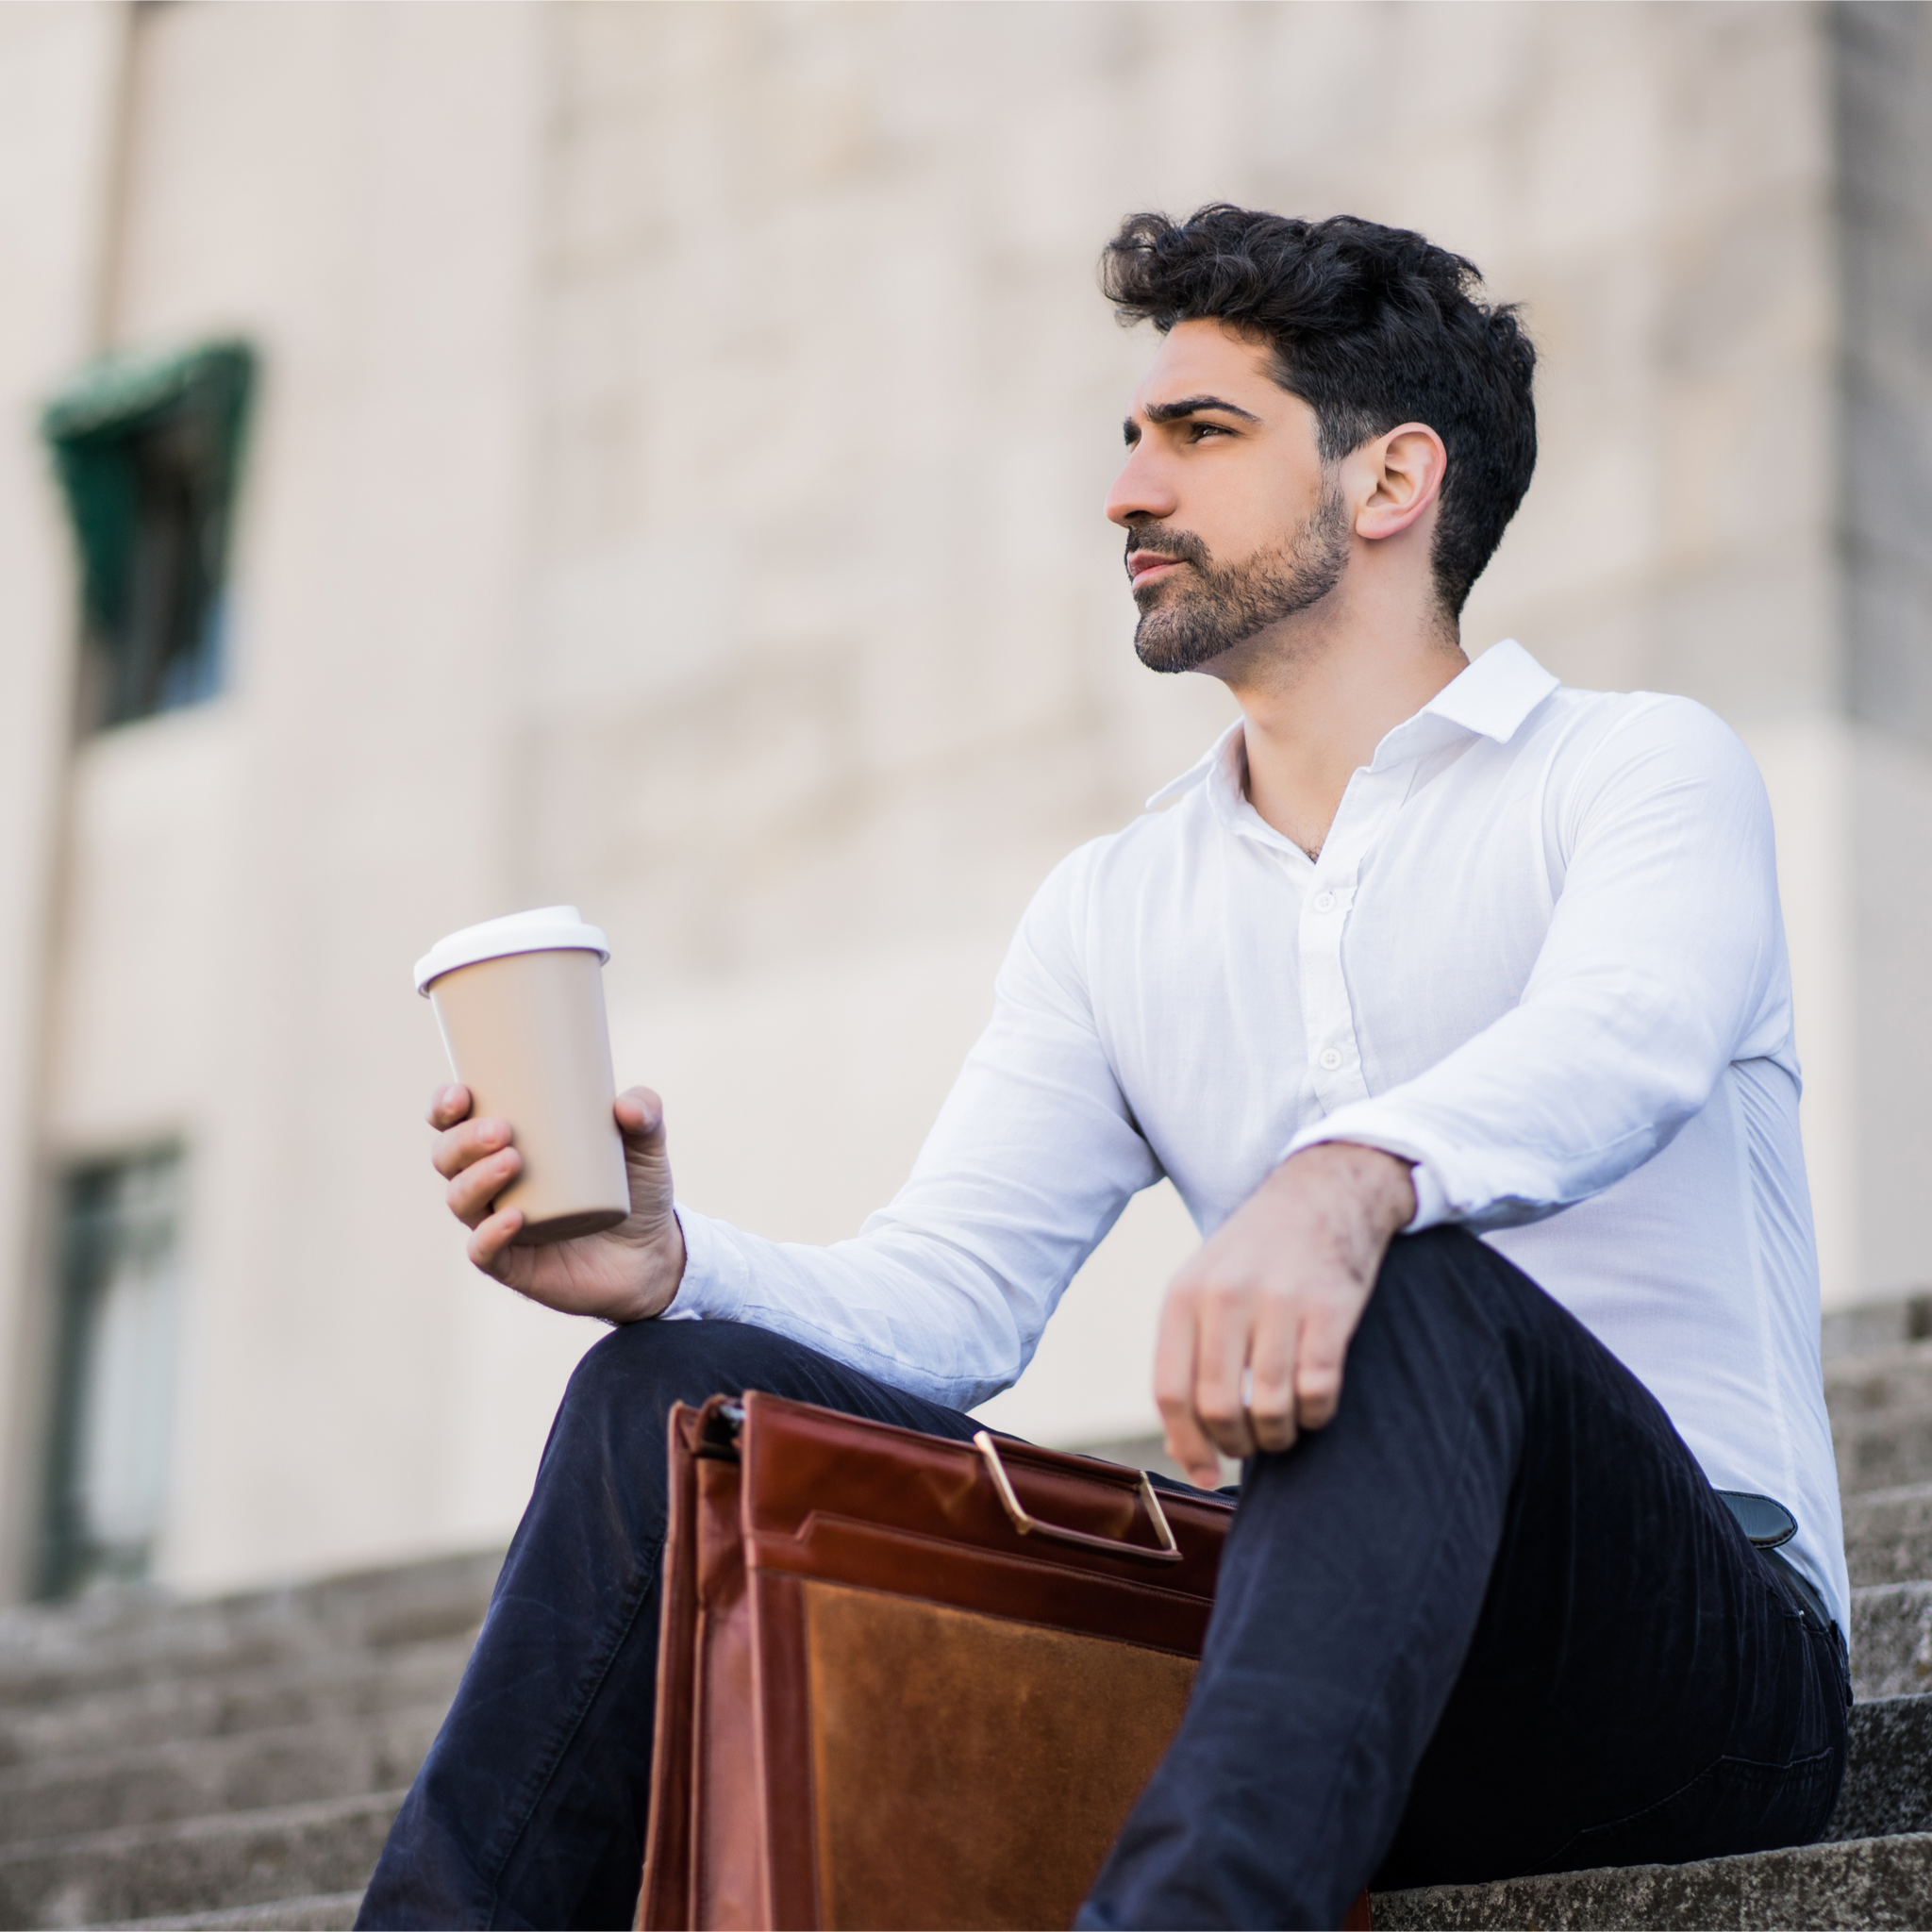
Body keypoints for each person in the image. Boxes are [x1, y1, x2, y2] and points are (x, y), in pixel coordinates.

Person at [356, 208, 1850, 1932]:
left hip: (1685, 1660)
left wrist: (1346, 1184)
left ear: (1391, 484)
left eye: (1201, 435)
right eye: (1131, 441)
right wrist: (669, 1266)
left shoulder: (1636, 771)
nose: (1128, 492)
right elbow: (951, 1305)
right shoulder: (1115, 905)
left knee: (1403, 1279)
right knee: (671, 1392)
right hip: (1304, 1653)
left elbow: (1630, 1041)